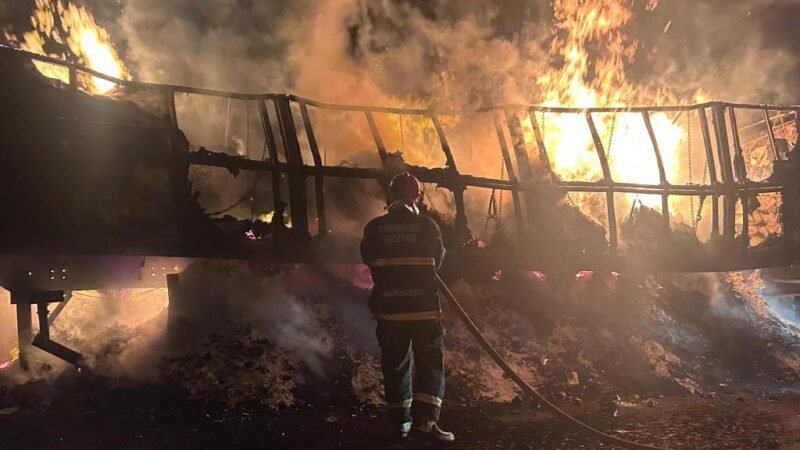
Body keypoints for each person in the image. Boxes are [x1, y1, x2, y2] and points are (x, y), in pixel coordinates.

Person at [360, 172, 455, 442]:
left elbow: (368, 257)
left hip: (390, 310)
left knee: (395, 363)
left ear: (389, 197)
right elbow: (437, 261)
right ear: (418, 198)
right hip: (424, 310)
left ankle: (399, 424)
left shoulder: (373, 228)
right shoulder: (428, 227)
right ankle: (425, 423)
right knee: (429, 363)